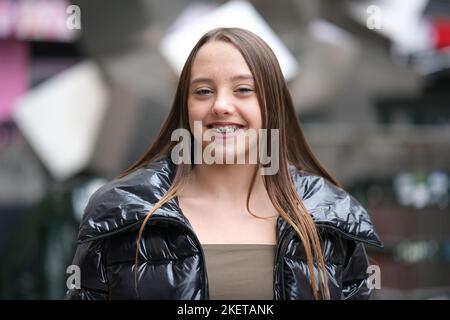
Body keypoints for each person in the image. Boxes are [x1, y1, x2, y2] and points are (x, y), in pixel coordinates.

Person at [66, 27, 382, 300]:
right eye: (203, 91)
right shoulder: (121, 212)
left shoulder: (331, 217)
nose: (220, 105)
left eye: (243, 90)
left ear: (272, 104)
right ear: (185, 108)